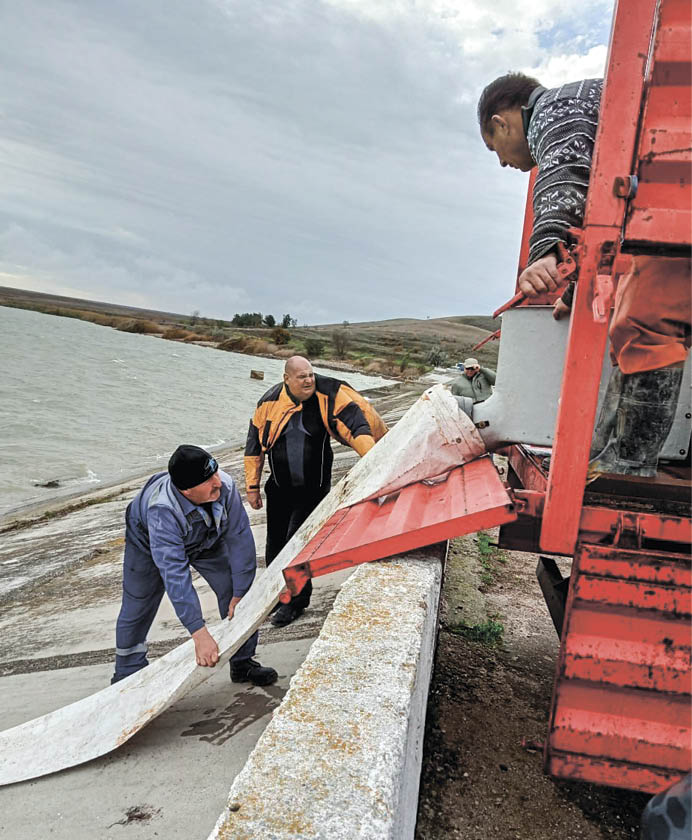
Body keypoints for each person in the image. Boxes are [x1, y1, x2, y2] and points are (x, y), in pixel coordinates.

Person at [477, 73, 691, 478]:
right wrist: (576, 290)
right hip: (672, 211)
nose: (504, 162)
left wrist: (543, 250)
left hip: (680, 211)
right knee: (632, 320)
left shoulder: (556, 109)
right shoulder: (587, 103)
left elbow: (565, 171)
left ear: (501, 120)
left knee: (647, 323)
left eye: (495, 148)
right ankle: (610, 454)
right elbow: (601, 227)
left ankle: (627, 465)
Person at [112, 444, 277, 687]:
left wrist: (241, 592)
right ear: (186, 490)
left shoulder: (225, 487)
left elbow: (240, 539)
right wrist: (198, 633)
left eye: (216, 473)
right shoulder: (162, 511)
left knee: (233, 589)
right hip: (147, 541)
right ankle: (126, 677)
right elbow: (175, 576)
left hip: (205, 535)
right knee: (138, 605)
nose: (218, 482)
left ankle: (242, 662)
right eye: (208, 480)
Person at [244, 356, 387, 627]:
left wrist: (375, 464)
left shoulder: (326, 397)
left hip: (312, 490)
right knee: (275, 548)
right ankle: (281, 596)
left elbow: (357, 425)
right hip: (279, 489)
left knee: (296, 547)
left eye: (311, 374)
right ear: (287, 379)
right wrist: (251, 487)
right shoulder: (269, 403)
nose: (309, 380)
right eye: (302, 376)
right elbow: (253, 446)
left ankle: (297, 602)